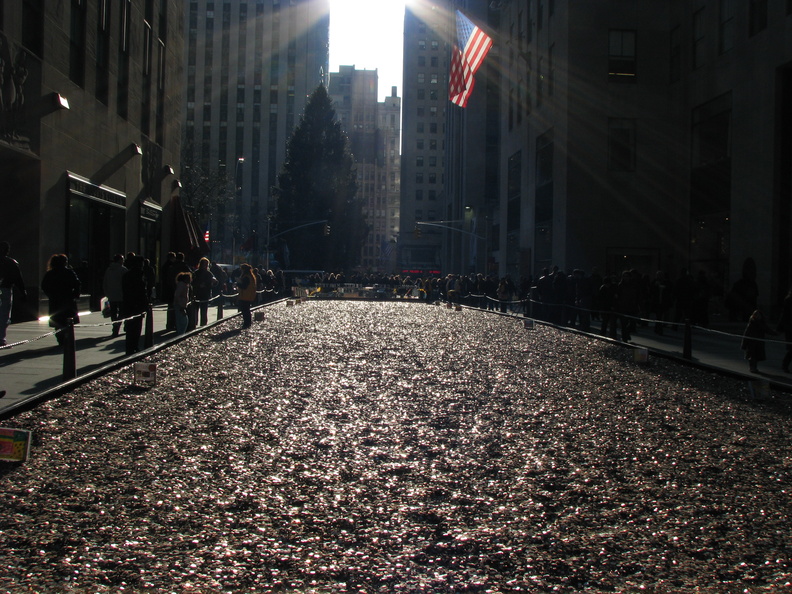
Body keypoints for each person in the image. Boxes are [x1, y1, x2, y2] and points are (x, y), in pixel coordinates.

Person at [41, 254, 81, 346]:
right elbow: (77, 283)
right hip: (68, 300)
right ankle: (66, 338)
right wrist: (75, 295)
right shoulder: (69, 272)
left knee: (58, 321)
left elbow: (44, 286)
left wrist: (50, 295)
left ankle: (60, 339)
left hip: (55, 300)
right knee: (68, 321)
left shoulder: (50, 273)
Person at [0, 241, 27, 346]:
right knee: (4, 314)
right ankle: (1, 338)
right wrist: (23, 291)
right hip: (6, 289)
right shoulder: (11, 263)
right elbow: (18, 278)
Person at [122, 255, 149, 355]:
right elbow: (142, 291)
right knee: (136, 327)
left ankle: (130, 347)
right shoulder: (139, 275)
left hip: (128, 304)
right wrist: (144, 304)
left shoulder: (126, 275)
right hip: (137, 304)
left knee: (130, 328)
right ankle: (134, 346)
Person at [741, 309, 774, 373]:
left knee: (756, 355)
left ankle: (754, 367)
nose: (757, 316)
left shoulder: (762, 323)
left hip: (758, 342)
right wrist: (744, 344)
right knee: (752, 356)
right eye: (756, 315)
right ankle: (752, 368)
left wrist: (775, 333)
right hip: (751, 342)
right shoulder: (752, 323)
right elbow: (746, 333)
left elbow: (767, 330)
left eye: (758, 315)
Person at [102, 254, 127, 337]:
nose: (123, 261)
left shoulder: (109, 270)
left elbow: (105, 282)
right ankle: (117, 326)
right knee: (122, 312)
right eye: (122, 259)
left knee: (113, 312)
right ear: (119, 260)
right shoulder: (123, 270)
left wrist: (107, 293)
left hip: (111, 295)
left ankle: (115, 326)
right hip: (121, 295)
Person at [191, 257, 217, 326]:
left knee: (203, 310)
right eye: (204, 264)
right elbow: (192, 282)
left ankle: (201, 324)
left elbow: (215, 283)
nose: (205, 266)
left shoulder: (208, 273)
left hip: (204, 293)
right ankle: (196, 323)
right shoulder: (197, 273)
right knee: (197, 310)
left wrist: (214, 282)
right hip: (199, 293)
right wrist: (199, 285)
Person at [237, 263, 257, 328]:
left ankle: (246, 323)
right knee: (247, 309)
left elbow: (244, 286)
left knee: (245, 310)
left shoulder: (246, 277)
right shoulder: (251, 276)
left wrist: (238, 284)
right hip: (249, 295)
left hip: (245, 295)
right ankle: (248, 322)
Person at [778, 287, 792, 373]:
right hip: (790, 327)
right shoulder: (789, 300)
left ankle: (785, 365)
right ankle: (785, 365)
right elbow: (785, 314)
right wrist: (780, 327)